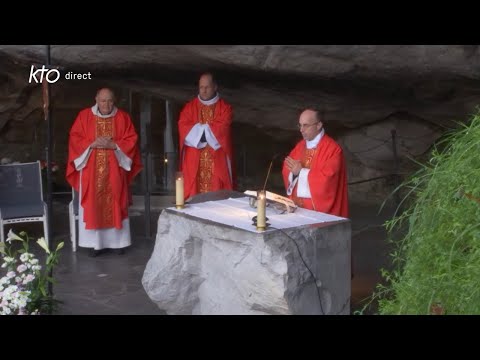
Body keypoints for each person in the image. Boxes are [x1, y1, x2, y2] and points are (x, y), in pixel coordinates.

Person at [66, 87, 142, 257]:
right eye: (102, 100)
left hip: (115, 172)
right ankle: (96, 244)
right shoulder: (84, 116)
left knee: (116, 201)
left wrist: (114, 145)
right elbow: (75, 138)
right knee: (94, 204)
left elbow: (131, 139)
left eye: (109, 100)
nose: (106, 104)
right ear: (96, 99)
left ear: (114, 101)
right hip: (91, 174)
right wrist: (91, 144)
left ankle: (118, 243)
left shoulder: (122, 117)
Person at [178, 72, 235, 200]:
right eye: (201, 87)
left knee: (217, 199)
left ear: (215, 87)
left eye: (207, 87)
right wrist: (207, 131)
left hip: (216, 162)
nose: (203, 91)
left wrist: (198, 131)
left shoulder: (225, 108)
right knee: (194, 198)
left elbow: (222, 129)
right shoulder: (189, 108)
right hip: (194, 163)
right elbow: (183, 127)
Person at [282, 108, 349, 218]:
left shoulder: (332, 150)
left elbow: (328, 180)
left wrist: (300, 172)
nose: (301, 130)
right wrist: (293, 173)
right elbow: (287, 168)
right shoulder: (300, 146)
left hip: (319, 212)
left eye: (306, 125)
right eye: (300, 125)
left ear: (318, 125)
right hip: (297, 209)